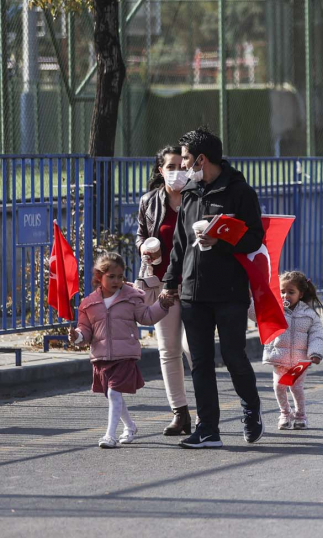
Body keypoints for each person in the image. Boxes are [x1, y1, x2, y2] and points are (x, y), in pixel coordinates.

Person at [160, 127, 266, 449]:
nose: (184, 166)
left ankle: (251, 406)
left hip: (230, 290)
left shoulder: (239, 191)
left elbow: (255, 238)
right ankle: (208, 429)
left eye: (188, 159)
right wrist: (170, 280)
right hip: (193, 291)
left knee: (233, 355)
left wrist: (222, 239)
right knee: (201, 361)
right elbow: (180, 242)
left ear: (202, 159)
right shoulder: (190, 192)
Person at [69, 253, 174, 448]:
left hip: (125, 355)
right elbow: (85, 330)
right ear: (99, 276)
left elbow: (146, 317)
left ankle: (110, 435)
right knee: (112, 394)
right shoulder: (88, 303)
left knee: (114, 393)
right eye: (111, 276)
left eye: (120, 276)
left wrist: (162, 304)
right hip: (101, 356)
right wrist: (77, 336)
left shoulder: (132, 296)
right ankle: (130, 426)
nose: (117, 280)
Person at [135, 145, 192, 436]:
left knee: (192, 348)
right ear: (160, 170)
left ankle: (208, 410)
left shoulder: (199, 197)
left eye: (182, 165)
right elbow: (141, 236)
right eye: (170, 166)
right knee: (168, 350)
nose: (177, 172)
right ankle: (180, 413)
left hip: (194, 284)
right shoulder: (149, 201)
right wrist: (144, 250)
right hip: (162, 286)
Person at [263, 272, 323, 429]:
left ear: (301, 294)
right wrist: (251, 298)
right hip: (280, 358)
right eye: (282, 292)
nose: (286, 296)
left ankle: (300, 416)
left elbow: (317, 336)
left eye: (291, 292)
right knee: (279, 386)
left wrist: (315, 353)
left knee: (296, 387)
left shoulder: (310, 315)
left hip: (300, 360)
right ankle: (285, 413)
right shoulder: (275, 310)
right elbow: (257, 315)